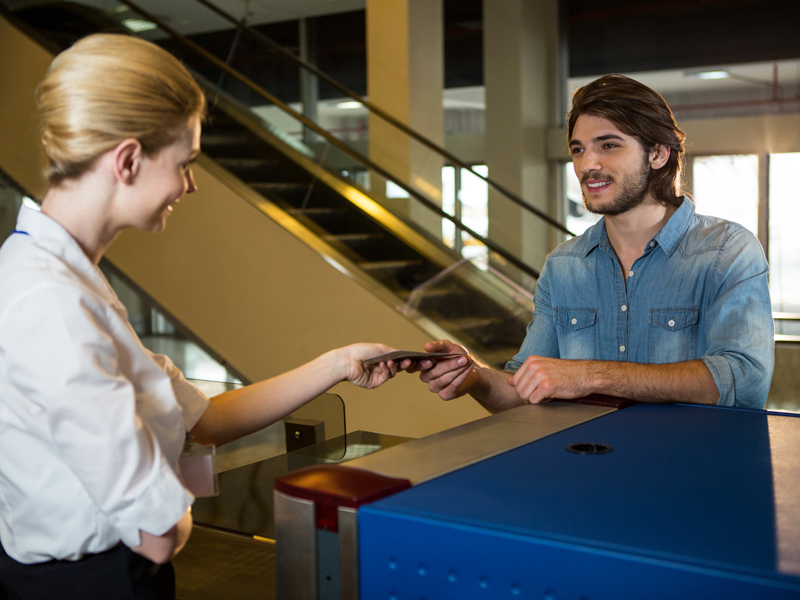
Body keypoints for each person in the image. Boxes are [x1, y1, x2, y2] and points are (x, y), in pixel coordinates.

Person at [0, 34, 407, 600]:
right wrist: (178, 504)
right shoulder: (54, 302)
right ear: (128, 159)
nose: (189, 184)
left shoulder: (53, 274)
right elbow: (157, 533)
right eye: (185, 163)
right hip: (96, 581)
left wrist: (338, 363)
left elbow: (203, 419)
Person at [414, 74, 774, 412]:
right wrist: (473, 375)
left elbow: (746, 382)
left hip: (687, 471)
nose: (588, 164)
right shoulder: (564, 265)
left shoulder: (727, 251)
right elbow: (526, 389)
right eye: (578, 150)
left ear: (659, 154)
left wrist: (590, 375)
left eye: (609, 145)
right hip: (584, 468)